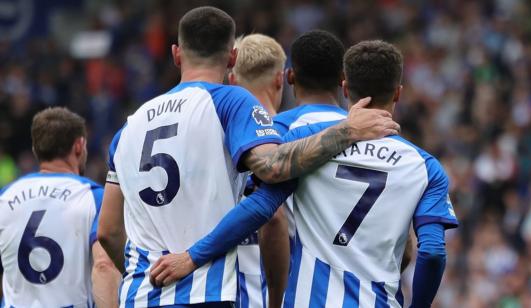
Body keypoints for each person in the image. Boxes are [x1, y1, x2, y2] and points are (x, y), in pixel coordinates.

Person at [98, 6, 399, 308]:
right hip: (206, 292)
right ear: (232, 58)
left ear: (177, 54)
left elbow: (108, 231)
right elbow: (273, 167)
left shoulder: (129, 126)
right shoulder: (229, 100)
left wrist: (148, 275)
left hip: (140, 293)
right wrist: (346, 130)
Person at [153, 40, 459, 308]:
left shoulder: (308, 142)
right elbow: (431, 252)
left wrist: (192, 256)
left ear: (345, 87)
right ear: (399, 93)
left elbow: (260, 207)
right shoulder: (425, 166)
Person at [0, 107, 120, 308]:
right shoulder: (92, 197)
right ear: (79, 146)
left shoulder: (5, 197)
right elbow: (104, 266)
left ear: (35, 149)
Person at [228, 33, 288, 308]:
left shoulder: (217, 138)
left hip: (221, 288)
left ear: (231, 81)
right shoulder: (298, 140)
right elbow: (274, 217)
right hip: (275, 292)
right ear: (280, 79)